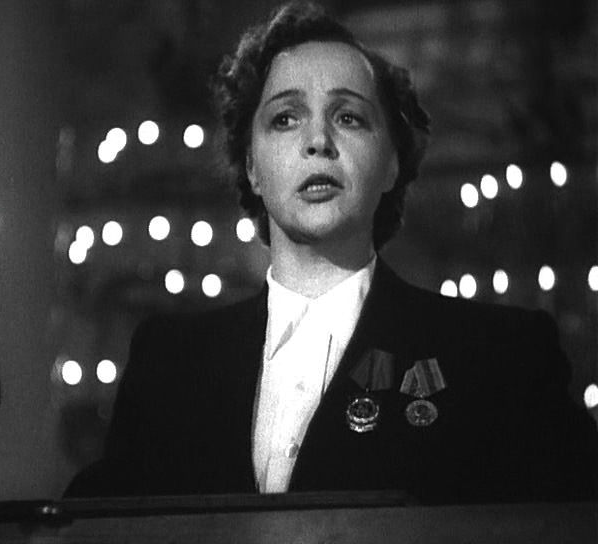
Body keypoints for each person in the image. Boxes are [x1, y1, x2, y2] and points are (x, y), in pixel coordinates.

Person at [65, 1, 598, 503]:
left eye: (349, 117)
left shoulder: (498, 356)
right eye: (285, 118)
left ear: (392, 162)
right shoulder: (169, 362)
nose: (318, 140)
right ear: (251, 166)